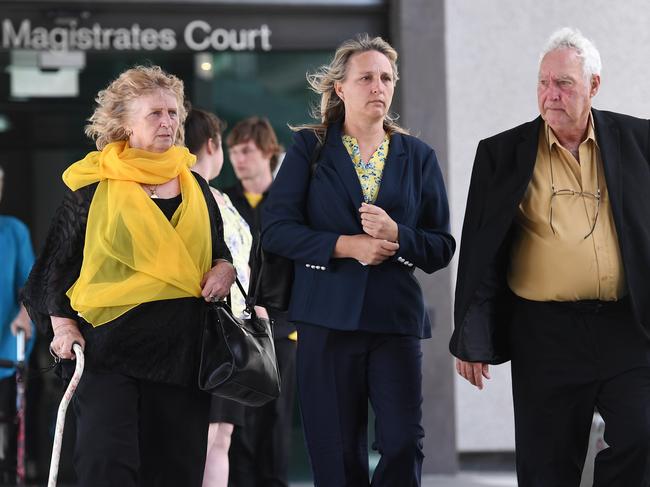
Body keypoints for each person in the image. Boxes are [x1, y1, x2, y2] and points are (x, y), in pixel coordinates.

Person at [451, 27, 650, 486]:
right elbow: (482, 248)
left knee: (642, 435)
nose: (550, 95)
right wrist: (472, 334)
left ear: (593, 86)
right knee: (546, 466)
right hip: (544, 333)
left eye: (564, 84)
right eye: (543, 82)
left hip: (626, 324)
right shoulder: (502, 153)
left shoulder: (638, 141)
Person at [21, 66, 236, 487]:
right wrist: (62, 326)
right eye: (155, 113)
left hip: (182, 354)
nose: (168, 122)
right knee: (107, 466)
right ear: (123, 123)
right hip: (106, 354)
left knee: (174, 472)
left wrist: (225, 269)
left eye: (173, 112)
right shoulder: (92, 191)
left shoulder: (197, 187)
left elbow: (219, 252)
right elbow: (51, 270)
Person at [262, 34, 455, 486]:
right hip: (325, 321)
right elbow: (275, 229)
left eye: (386, 78)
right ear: (340, 89)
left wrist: (398, 236)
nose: (378, 87)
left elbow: (441, 245)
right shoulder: (310, 149)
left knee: (404, 440)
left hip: (394, 322)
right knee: (335, 450)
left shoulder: (418, 157)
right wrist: (347, 245)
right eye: (366, 77)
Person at [224, 117, 297, 487]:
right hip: (234, 328)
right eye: (233, 151)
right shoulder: (222, 200)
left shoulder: (290, 202)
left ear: (270, 152)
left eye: (246, 150)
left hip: (282, 331)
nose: (238, 159)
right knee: (237, 423)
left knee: (275, 423)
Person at [185, 107, 253, 487]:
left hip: (217, 335)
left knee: (212, 439)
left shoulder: (184, 196)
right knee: (214, 440)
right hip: (219, 336)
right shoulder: (211, 199)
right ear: (212, 145)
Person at [0, 166, 35, 484]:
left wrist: (26, 313)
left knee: (10, 431)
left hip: (6, 354)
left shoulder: (13, 231)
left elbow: (30, 287)